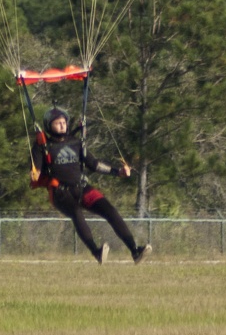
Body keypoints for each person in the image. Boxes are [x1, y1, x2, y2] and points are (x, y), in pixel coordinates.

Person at [32, 107, 150, 265]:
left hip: (81, 188)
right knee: (76, 212)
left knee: (110, 211)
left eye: (64, 122)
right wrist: (35, 174)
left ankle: (135, 251)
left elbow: (94, 164)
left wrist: (118, 171)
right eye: (57, 123)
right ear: (49, 126)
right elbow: (36, 171)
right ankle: (96, 252)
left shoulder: (75, 143)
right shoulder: (42, 146)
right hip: (60, 193)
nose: (62, 125)